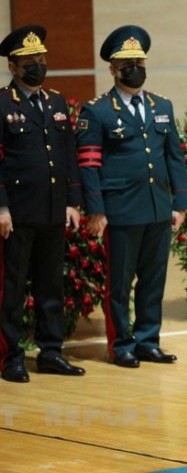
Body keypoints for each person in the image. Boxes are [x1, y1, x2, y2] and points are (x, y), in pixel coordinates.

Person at [75, 25, 187, 368]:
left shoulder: (161, 105)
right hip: (121, 209)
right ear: (113, 69)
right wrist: (96, 209)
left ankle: (147, 341)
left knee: (154, 280)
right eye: (127, 64)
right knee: (120, 284)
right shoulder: (98, 111)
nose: (134, 69)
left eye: (139, 62)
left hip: (158, 207)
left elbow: (174, 157)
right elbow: (89, 164)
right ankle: (121, 344)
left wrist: (180, 203)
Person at [0, 25, 84, 383]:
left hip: (53, 209)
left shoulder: (56, 102)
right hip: (18, 214)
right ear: (13, 67)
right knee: (13, 290)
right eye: (29, 61)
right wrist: (2, 207)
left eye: (41, 59)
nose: (38, 65)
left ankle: (51, 352)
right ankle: (11, 358)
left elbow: (68, 154)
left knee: (51, 287)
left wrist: (73, 202)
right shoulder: (3, 103)